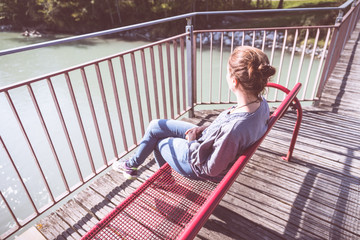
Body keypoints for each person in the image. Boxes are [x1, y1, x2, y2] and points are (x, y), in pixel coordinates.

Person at [113, 46, 276, 182]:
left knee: (159, 142)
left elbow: (211, 169)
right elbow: (227, 132)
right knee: (156, 126)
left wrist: (191, 143)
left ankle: (165, 181)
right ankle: (131, 164)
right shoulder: (260, 104)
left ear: (234, 81)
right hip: (208, 141)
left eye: (228, 73)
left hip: (197, 163)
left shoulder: (235, 130)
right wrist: (205, 128)